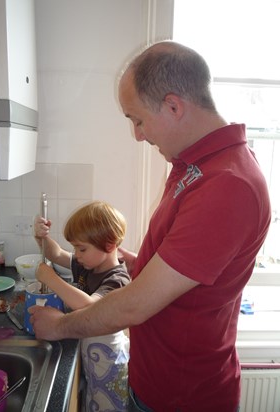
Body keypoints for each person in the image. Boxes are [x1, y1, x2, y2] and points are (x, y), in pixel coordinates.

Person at [29, 41, 271, 412]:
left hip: (183, 397)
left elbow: (135, 306)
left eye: (138, 120)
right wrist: (138, 260)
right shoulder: (194, 166)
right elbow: (188, 271)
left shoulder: (227, 185)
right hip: (158, 380)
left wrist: (59, 326)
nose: (138, 135)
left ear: (174, 106)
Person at [33, 200, 130, 412]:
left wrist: (52, 279)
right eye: (75, 247)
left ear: (110, 245)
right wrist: (43, 238)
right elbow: (55, 254)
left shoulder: (118, 279)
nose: (76, 254)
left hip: (109, 363)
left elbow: (90, 307)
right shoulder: (88, 263)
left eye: (82, 248)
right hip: (90, 350)